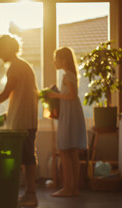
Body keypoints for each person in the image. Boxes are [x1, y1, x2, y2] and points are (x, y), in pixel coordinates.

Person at [0, 34, 39, 206]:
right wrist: (8, 114)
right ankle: (29, 193)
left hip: (24, 121)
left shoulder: (16, 67)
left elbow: (6, 93)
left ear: (6, 49)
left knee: (27, 157)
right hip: (24, 118)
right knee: (26, 156)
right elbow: (19, 95)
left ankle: (31, 194)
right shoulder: (22, 65)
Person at [47, 47, 87, 197]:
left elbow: (72, 96)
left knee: (65, 150)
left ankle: (67, 188)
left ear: (63, 60)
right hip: (71, 114)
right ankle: (73, 188)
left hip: (70, 115)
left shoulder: (67, 76)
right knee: (71, 152)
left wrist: (55, 96)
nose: (54, 62)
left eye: (56, 59)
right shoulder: (70, 75)